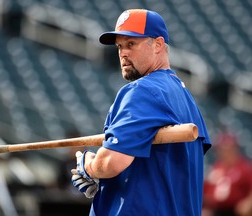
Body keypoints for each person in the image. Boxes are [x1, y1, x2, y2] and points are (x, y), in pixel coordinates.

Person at [71, 9, 211, 216]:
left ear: (158, 44)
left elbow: (112, 162)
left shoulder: (143, 91)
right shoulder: (188, 100)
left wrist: (89, 166)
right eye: (120, 46)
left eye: (131, 44)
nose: (123, 53)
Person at [202, 131, 252, 216]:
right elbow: (206, 192)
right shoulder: (216, 168)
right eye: (221, 149)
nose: (225, 152)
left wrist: (248, 203)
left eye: (228, 148)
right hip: (216, 210)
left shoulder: (244, 168)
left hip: (235, 211)